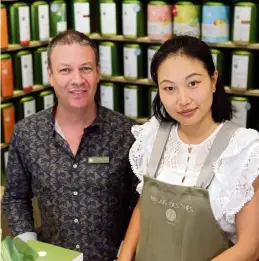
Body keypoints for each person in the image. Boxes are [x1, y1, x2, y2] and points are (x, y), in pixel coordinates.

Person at [117, 35, 259, 261]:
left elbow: (250, 249)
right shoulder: (152, 137)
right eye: (169, 88)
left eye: (193, 83)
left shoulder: (243, 151)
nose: (183, 100)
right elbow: (144, 207)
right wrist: (124, 256)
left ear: (213, 81)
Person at [2, 30, 139, 261]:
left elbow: (141, 203)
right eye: (65, 70)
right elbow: (15, 197)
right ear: (51, 75)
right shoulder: (27, 133)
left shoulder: (127, 133)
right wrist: (31, 251)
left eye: (85, 68)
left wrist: (126, 253)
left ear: (97, 72)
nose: (77, 80)